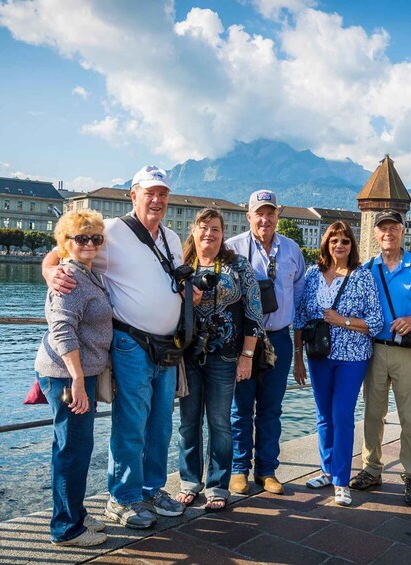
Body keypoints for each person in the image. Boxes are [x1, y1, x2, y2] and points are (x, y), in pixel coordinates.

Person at [42, 165, 187, 529]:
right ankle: (122, 497)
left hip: (167, 347)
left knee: (160, 424)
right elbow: (59, 253)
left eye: (162, 193)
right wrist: (48, 272)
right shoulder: (110, 231)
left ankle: (151, 489)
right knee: (132, 422)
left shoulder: (171, 237)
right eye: (149, 192)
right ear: (133, 195)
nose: (156, 199)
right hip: (131, 343)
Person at [349, 210, 411, 508]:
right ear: (375, 234)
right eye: (382, 228)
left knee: (409, 418)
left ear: (403, 231)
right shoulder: (367, 268)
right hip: (374, 349)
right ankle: (372, 468)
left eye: (393, 227)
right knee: (373, 415)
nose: (387, 232)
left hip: (408, 353)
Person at [176, 208, 265, 512]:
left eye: (215, 229)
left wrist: (247, 356)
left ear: (223, 233)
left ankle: (217, 485)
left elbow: (254, 315)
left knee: (219, 422)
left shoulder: (237, 266)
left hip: (225, 357)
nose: (209, 234)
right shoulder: (180, 264)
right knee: (188, 423)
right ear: (193, 230)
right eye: (203, 227)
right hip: (186, 356)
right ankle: (189, 481)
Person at [34, 210, 111, 547]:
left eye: (95, 238)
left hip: (80, 374)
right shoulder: (69, 277)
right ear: (66, 243)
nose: (89, 244)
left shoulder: (87, 274)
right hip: (69, 376)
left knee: (78, 447)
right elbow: (62, 330)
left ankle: (74, 513)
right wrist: (78, 379)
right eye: (81, 238)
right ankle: (65, 529)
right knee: (72, 450)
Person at [294, 221, 383, 506]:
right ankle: (326, 470)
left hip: (352, 357)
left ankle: (342, 481)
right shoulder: (311, 274)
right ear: (326, 244)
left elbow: (376, 322)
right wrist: (297, 358)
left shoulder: (362, 277)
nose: (339, 246)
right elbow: (299, 318)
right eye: (334, 241)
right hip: (318, 355)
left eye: (345, 241)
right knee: (323, 416)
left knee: (342, 415)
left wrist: (342, 321)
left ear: (351, 246)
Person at [225, 189, 306, 495]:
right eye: (259, 213)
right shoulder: (232, 249)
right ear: (249, 216)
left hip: (278, 338)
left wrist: (298, 351)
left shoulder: (292, 250)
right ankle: (238, 470)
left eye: (270, 213)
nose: (265, 218)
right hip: (243, 340)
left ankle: (267, 470)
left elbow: (298, 300)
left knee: (271, 409)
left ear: (277, 216)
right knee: (240, 408)